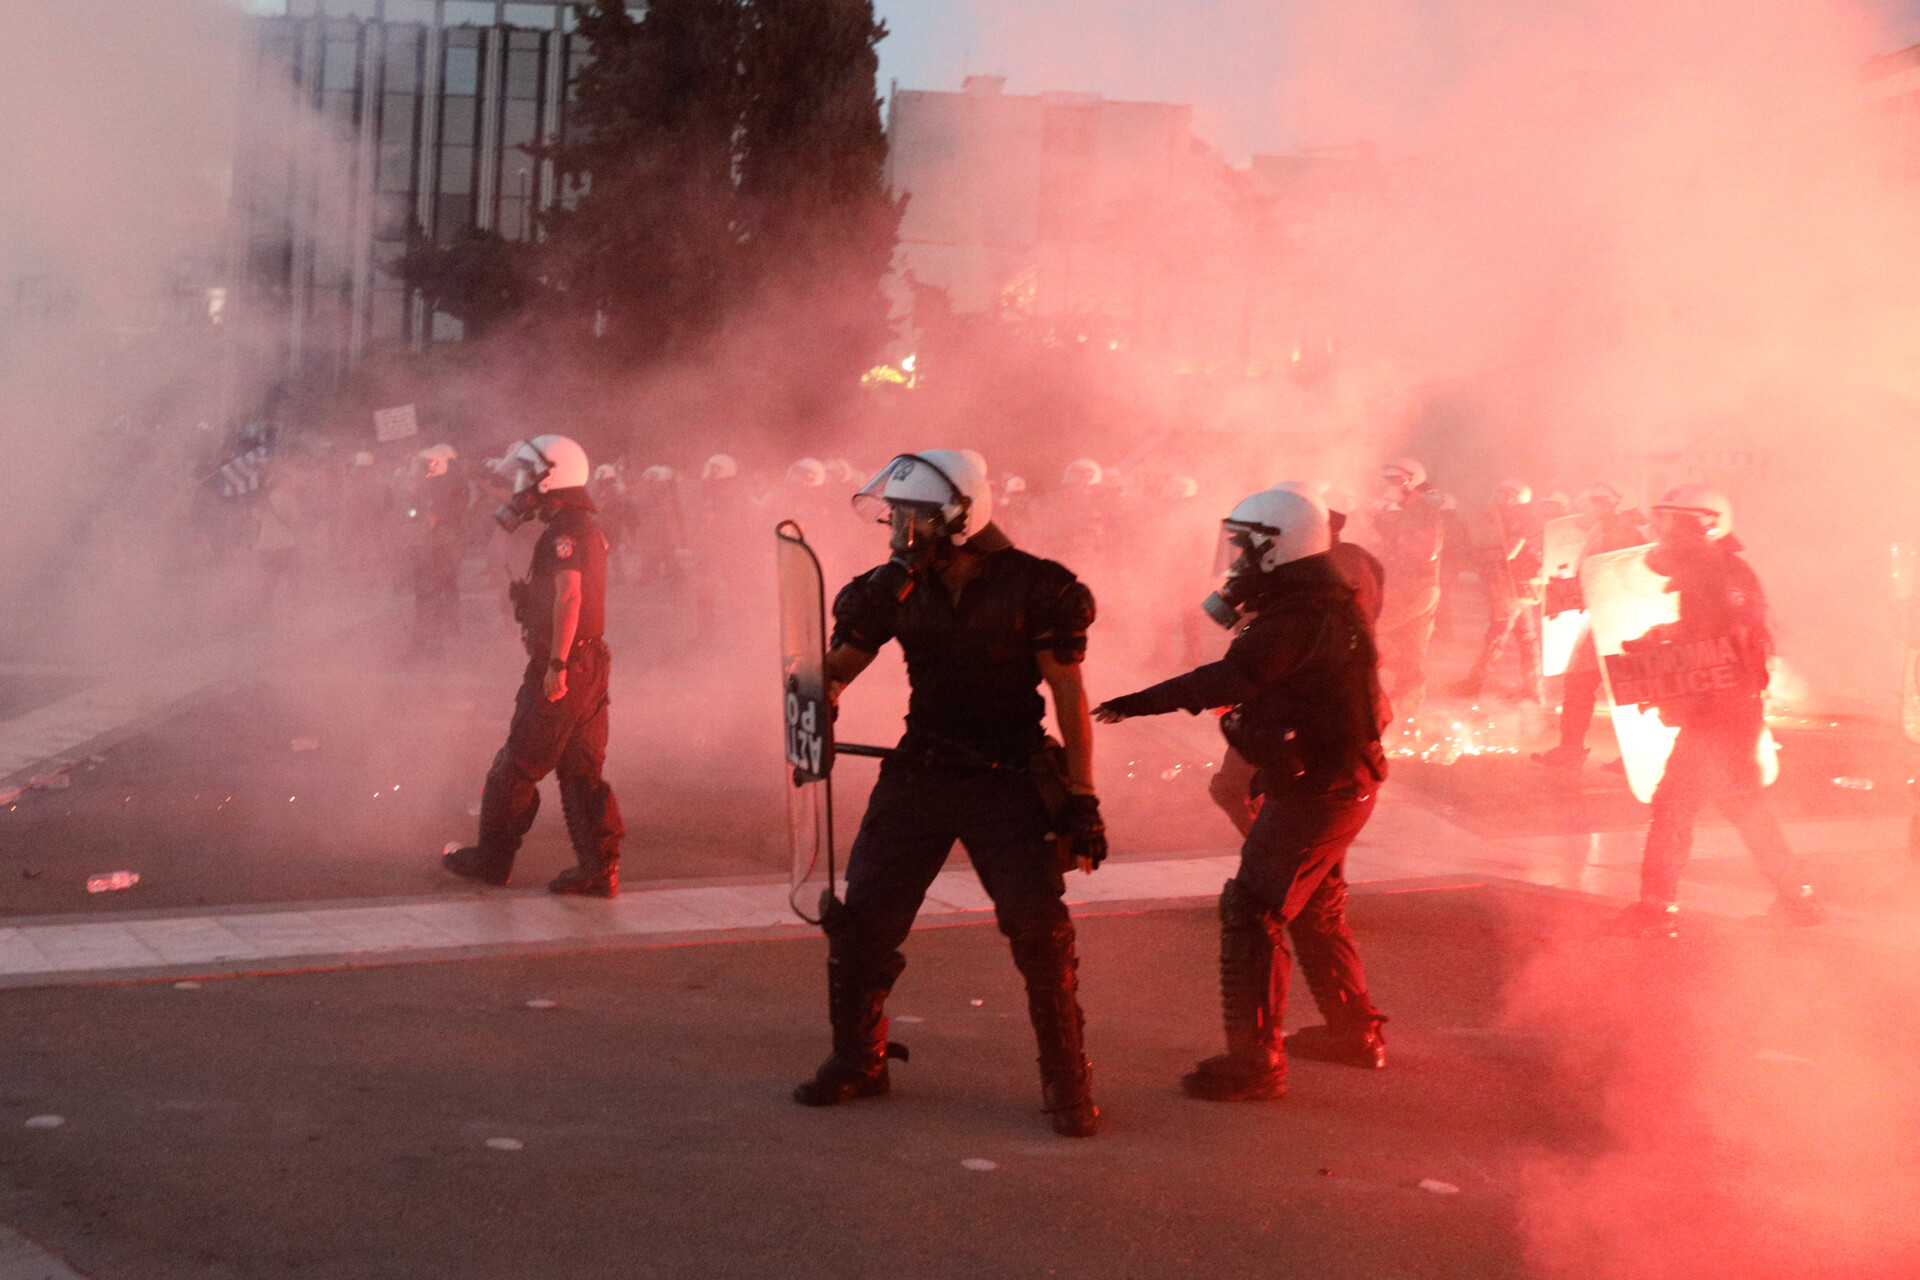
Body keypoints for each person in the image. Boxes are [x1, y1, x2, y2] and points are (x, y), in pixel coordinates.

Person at [793, 449, 1107, 1138]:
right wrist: (817, 709)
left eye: (911, 519)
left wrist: (1082, 798)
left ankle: (1067, 1082)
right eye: (895, 517)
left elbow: (1069, 697)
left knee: (1040, 934)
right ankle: (859, 1059)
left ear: (959, 517)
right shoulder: (894, 590)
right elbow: (834, 671)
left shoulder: (1039, 589)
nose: (896, 531)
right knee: (862, 925)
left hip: (1008, 777)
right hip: (921, 771)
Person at [1096, 486, 1392, 1101]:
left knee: (1254, 909)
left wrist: (1139, 702)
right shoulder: (1319, 598)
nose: (1235, 557)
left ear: (1276, 546)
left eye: (1244, 544)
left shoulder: (1300, 613)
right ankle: (1352, 1033)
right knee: (1313, 905)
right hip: (1328, 780)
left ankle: (1257, 1063)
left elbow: (1231, 677)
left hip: (1321, 787)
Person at [1606, 485, 1826, 937]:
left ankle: (1655, 910)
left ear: (1702, 521)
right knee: (1747, 807)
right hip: (1736, 710)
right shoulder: (1731, 569)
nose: (1660, 528)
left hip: (1714, 715)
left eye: (1670, 520)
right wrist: (1668, 635)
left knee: (1674, 805)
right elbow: (1721, 631)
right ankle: (1799, 899)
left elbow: (1701, 631)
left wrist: (1664, 655)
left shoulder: (1702, 562)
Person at [443, 435, 625, 898]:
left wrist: (556, 665)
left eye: (528, 474)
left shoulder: (566, 532)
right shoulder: (581, 525)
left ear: (554, 478)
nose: (520, 486)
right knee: (581, 770)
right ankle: (599, 869)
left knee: (517, 765)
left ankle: (492, 860)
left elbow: (571, 596)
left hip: (566, 662)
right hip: (591, 662)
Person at [1533, 483, 1647, 770]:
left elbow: (1624, 577)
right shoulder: (1602, 530)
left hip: (1620, 623)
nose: (1586, 510)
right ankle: (1570, 749)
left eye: (1593, 505)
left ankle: (1636, 754)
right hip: (1599, 619)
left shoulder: (1625, 534)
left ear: (1608, 506)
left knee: (1628, 690)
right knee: (1580, 684)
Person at [1453, 479, 1544, 700]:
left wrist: (1494, 526)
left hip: (1517, 586)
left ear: (1517, 497)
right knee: (1525, 639)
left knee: (1498, 634)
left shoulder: (1523, 519)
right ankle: (1533, 691)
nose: (1499, 498)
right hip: (1513, 585)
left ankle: (1474, 684)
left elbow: (1509, 552)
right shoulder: (1509, 518)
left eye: (1505, 494)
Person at [1369, 458, 1445, 718]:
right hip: (1402, 587)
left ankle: (1402, 707)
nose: (1388, 485)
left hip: (1416, 589)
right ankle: (1406, 712)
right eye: (1387, 479)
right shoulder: (1401, 511)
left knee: (1371, 634)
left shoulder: (1425, 510)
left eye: (1395, 480)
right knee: (1410, 654)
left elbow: (1427, 552)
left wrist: (1395, 532)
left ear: (1411, 482)